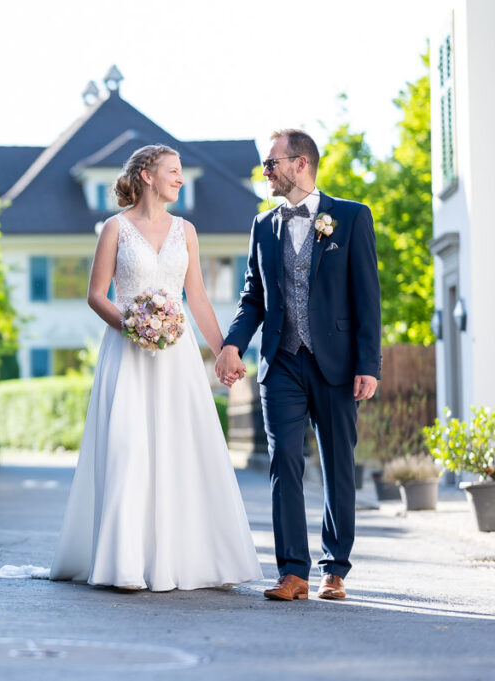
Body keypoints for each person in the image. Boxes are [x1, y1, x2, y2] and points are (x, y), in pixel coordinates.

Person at [48, 144, 263, 591]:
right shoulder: (115, 228)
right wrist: (132, 326)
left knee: (177, 448)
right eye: (173, 171)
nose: (180, 178)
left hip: (176, 357)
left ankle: (180, 559)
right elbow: (96, 296)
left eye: (181, 172)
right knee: (128, 449)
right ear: (147, 175)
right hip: (126, 354)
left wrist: (224, 351)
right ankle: (123, 562)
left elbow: (197, 298)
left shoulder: (187, 230)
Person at [215, 129, 381, 601]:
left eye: (272, 163)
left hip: (337, 363)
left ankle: (335, 567)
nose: (265, 171)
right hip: (281, 362)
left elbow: (367, 297)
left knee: (337, 464)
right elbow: (252, 297)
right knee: (284, 460)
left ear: (300, 163)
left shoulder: (351, 217)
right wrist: (232, 345)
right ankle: (293, 572)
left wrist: (369, 363)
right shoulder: (262, 225)